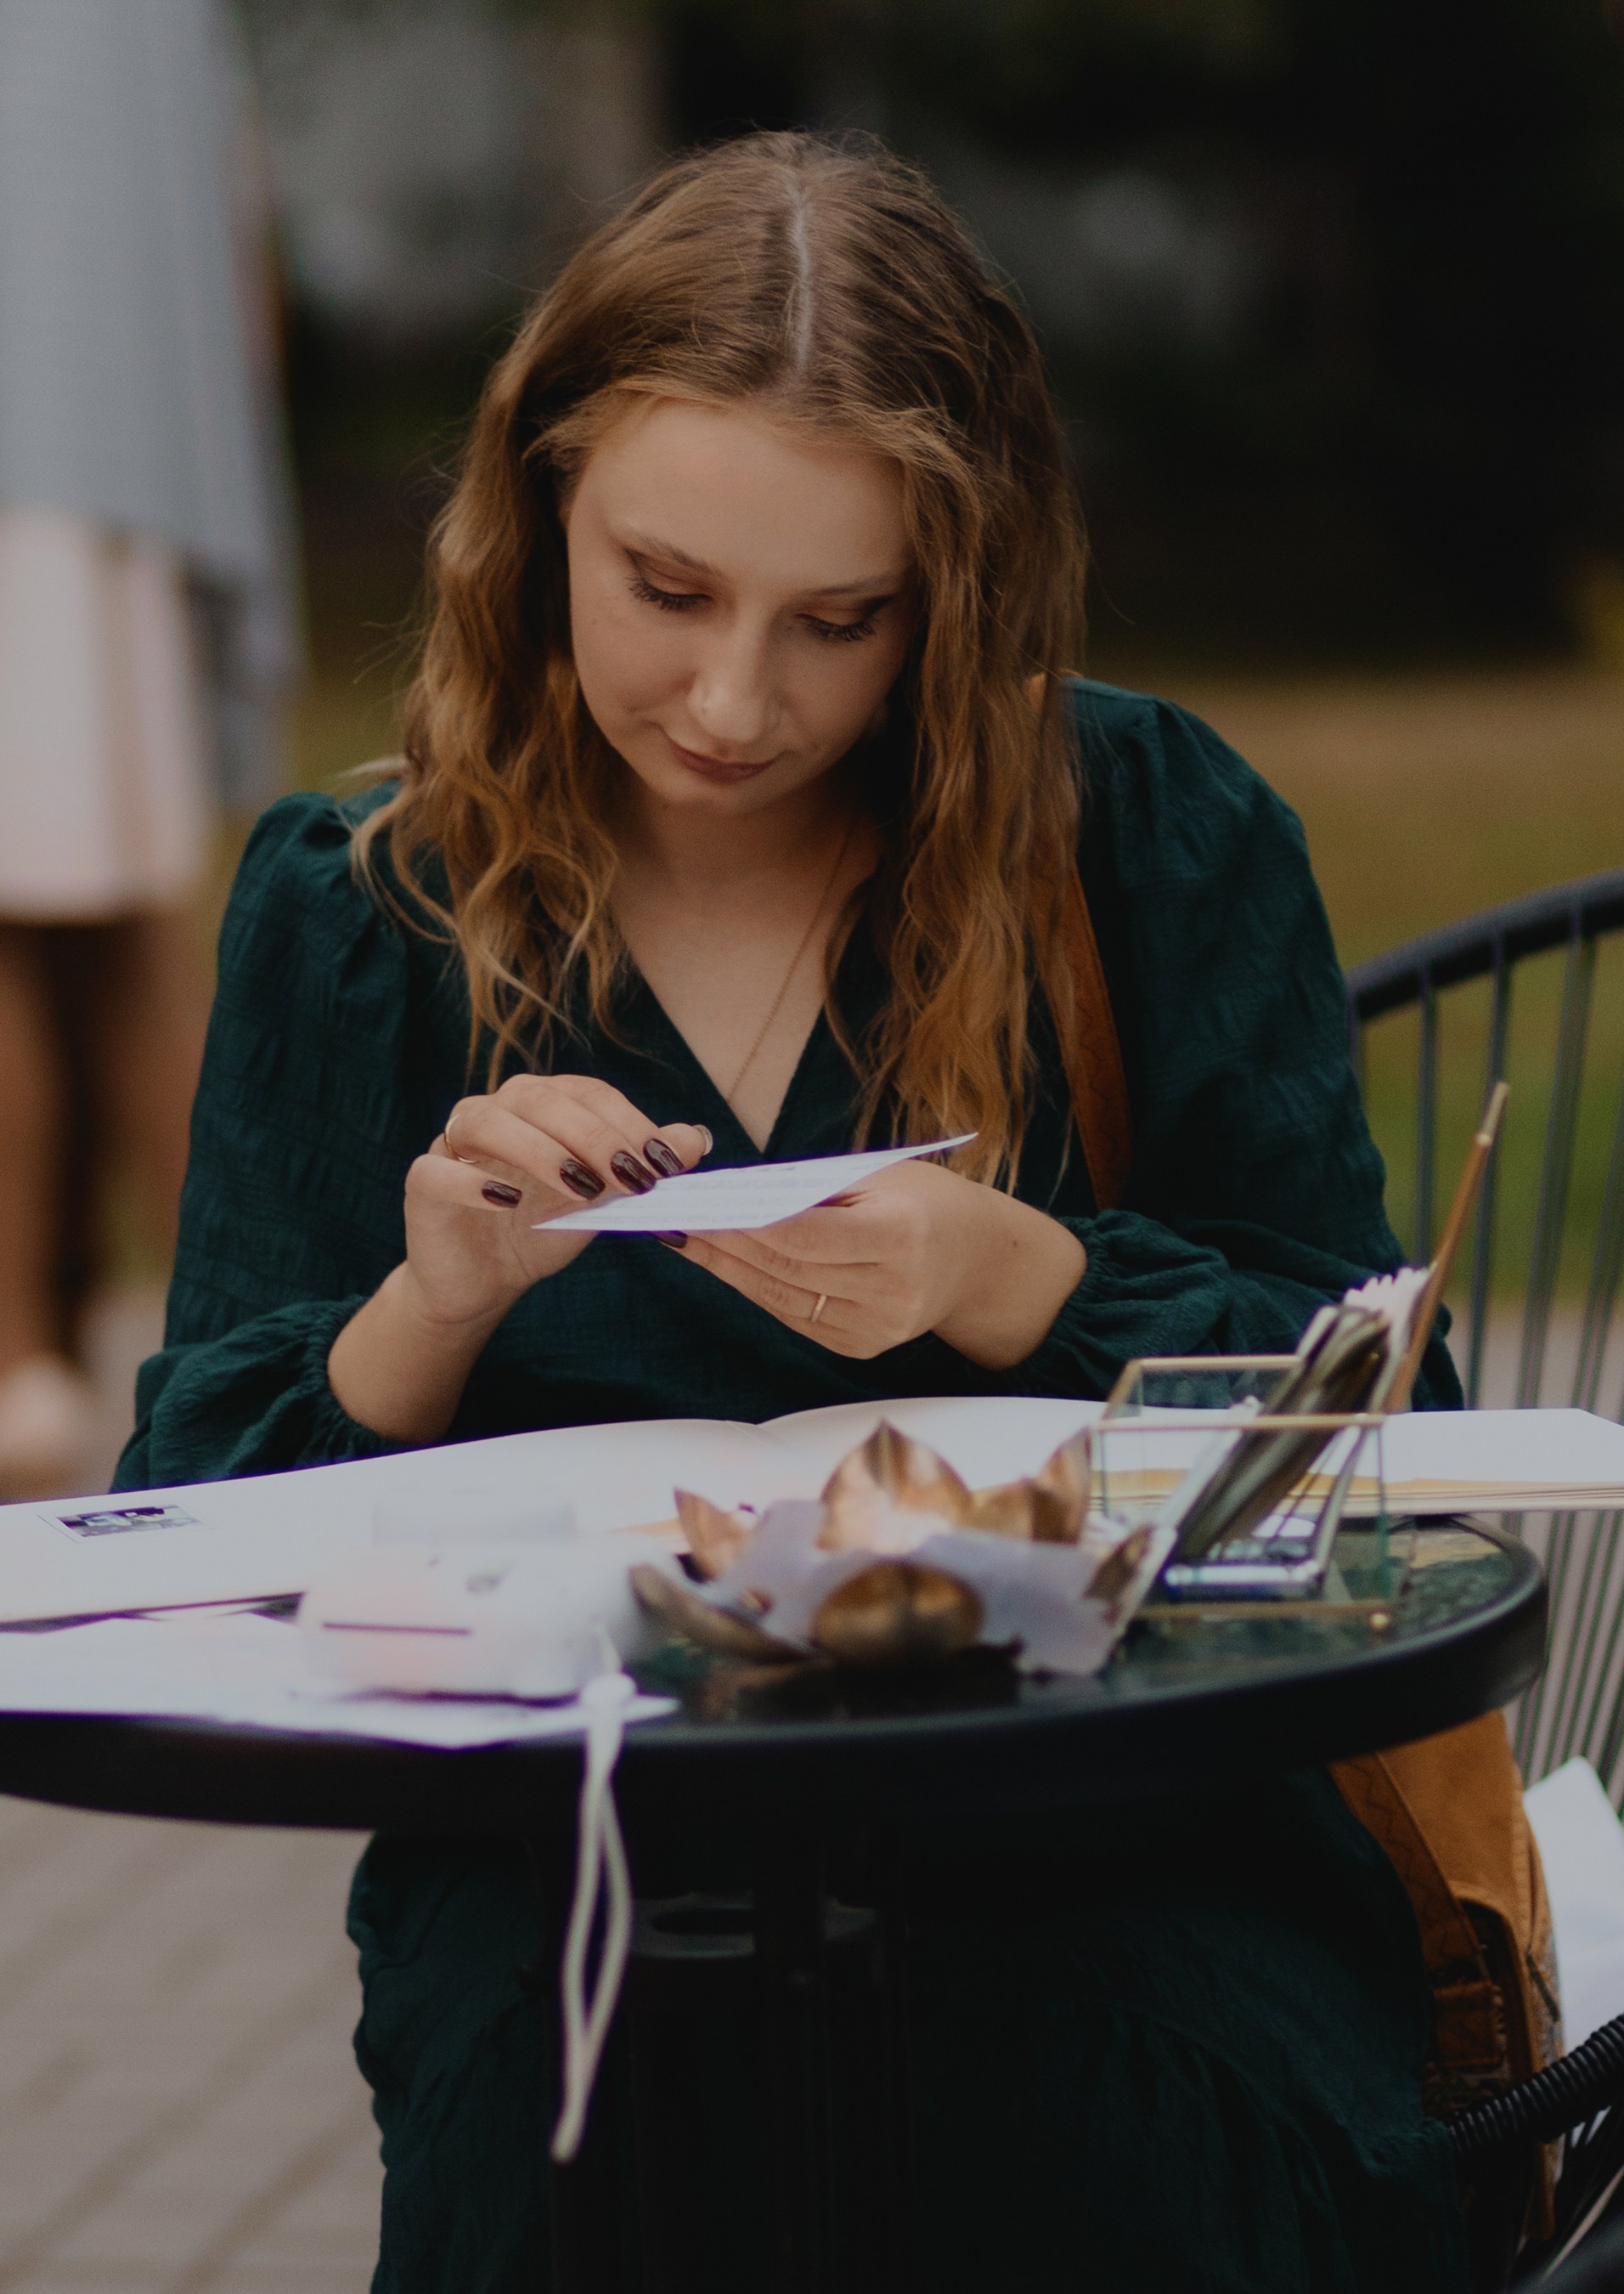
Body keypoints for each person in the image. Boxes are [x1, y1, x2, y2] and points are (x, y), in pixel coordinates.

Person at [118, 133, 1466, 2293]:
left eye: (842, 623)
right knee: (593, 2150)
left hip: (1119, 1851)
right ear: (541, 496)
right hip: (575, 1879)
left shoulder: (1142, 834)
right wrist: (428, 1311)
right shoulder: (361, 909)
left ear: (964, 592)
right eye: (666, 588)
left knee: (1102, 2130)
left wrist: (1023, 1274)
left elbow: (1394, 1441)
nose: (737, 704)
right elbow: (170, 1519)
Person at [0, 0, 296, 1506]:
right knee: (132, 907)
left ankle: (15, 1366)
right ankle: (254, 1346)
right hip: (126, 429)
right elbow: (217, 184)